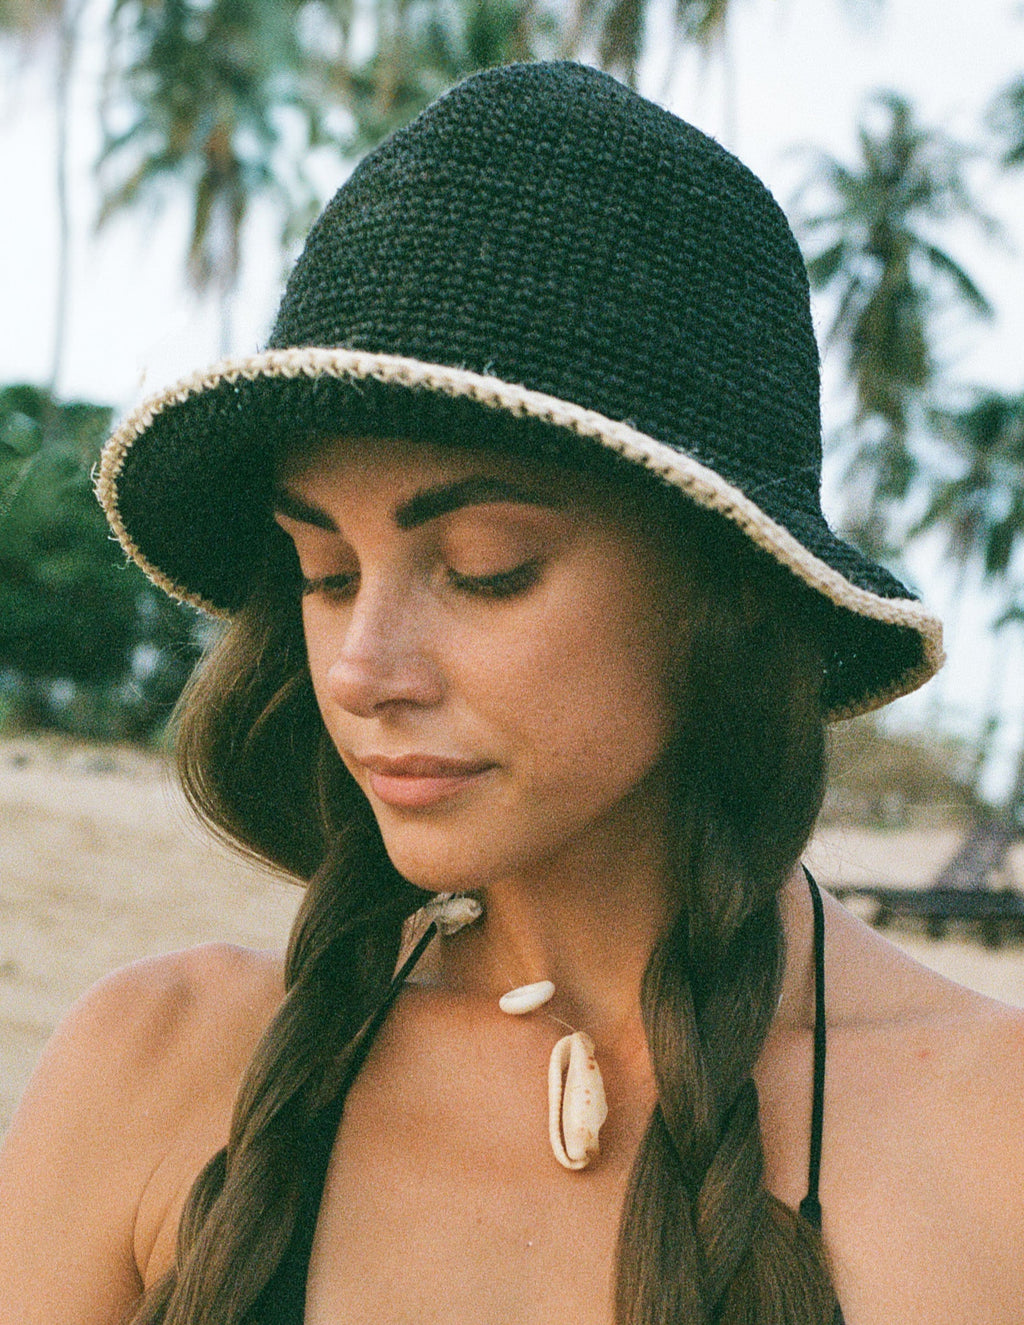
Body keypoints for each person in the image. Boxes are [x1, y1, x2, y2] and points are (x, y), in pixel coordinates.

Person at [1, 59, 1022, 1325]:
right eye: (324, 571)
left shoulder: (990, 1142)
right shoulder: (154, 1068)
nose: (364, 669)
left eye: (486, 569)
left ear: (732, 586)